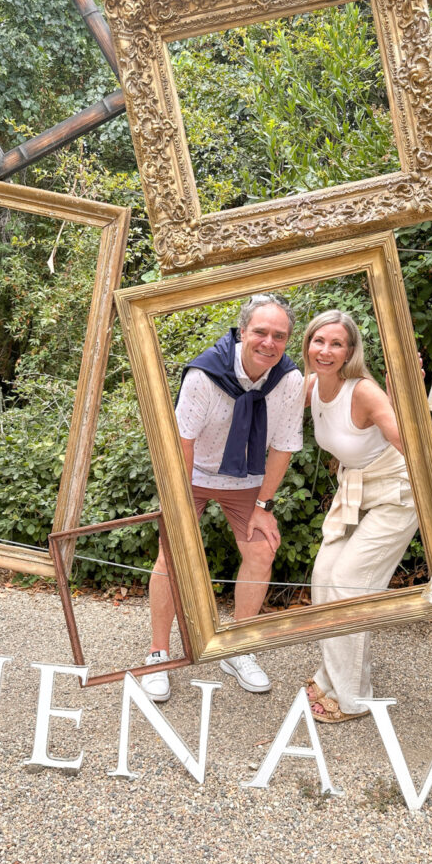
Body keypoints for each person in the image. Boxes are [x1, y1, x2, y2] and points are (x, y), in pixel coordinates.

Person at [141, 293, 304, 702]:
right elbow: (182, 443)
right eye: (261, 332)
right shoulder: (204, 374)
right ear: (242, 331)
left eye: (279, 336)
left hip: (247, 479)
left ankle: (238, 648)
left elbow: (283, 446)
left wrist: (264, 507)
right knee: (171, 552)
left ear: (287, 340)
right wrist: (178, 504)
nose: (269, 343)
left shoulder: (289, 380)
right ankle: (158, 654)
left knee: (262, 550)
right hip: (191, 473)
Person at [302, 310, 419, 724]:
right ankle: (331, 677)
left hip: (397, 491)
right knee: (323, 578)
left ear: (350, 351)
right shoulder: (311, 385)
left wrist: (404, 395)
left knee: (350, 586)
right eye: (319, 341)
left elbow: (414, 444)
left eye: (337, 344)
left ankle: (353, 699)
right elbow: (268, 403)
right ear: (308, 343)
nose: (326, 350)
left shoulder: (365, 392)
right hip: (355, 488)